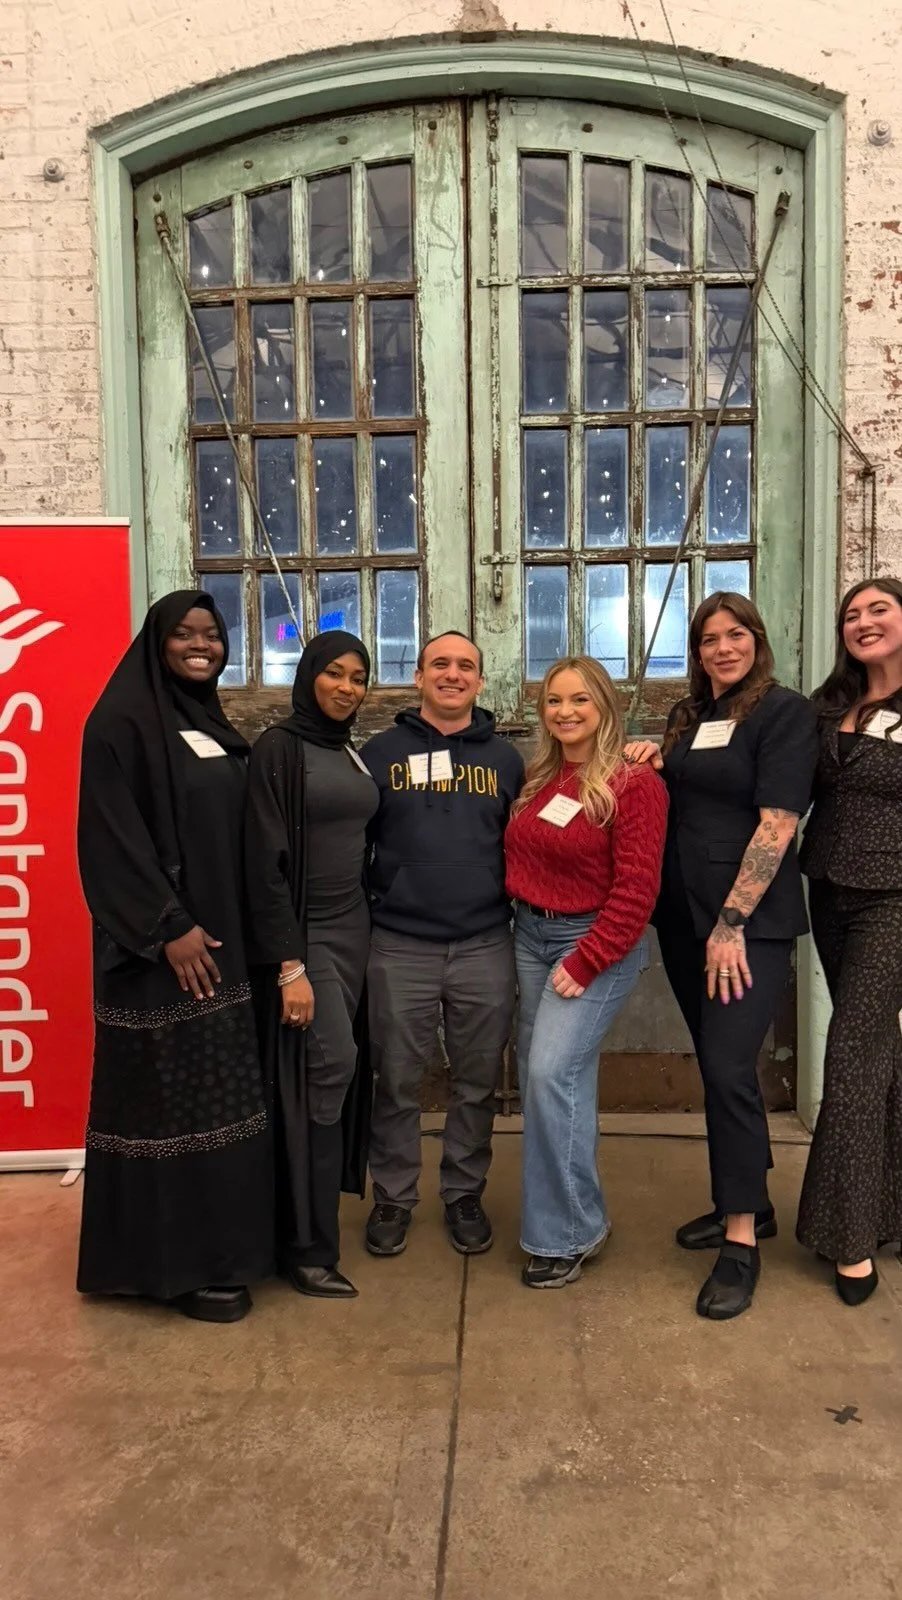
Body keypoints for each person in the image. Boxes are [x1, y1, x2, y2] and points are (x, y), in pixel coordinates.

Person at [76, 591, 273, 1324]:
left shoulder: (207, 720)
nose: (201, 645)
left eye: (212, 634)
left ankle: (224, 1251)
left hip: (221, 949)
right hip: (161, 959)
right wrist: (169, 927)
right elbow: (109, 839)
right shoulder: (120, 724)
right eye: (185, 633)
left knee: (217, 1106)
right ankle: (176, 1270)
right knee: (168, 1111)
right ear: (157, 641)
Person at [625, 592, 818, 1320]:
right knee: (717, 1063)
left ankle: (740, 1240)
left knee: (730, 1066)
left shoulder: (783, 712)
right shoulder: (690, 715)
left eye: (736, 635)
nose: (723, 648)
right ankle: (749, 1201)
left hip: (742, 924)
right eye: (709, 638)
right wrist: (653, 757)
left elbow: (778, 822)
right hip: (682, 918)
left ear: (756, 641)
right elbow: (684, 796)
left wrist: (733, 920)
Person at [504, 657, 668, 1288]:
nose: (565, 711)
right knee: (549, 1079)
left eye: (579, 700)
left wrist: (589, 957)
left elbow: (637, 889)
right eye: (554, 701)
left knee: (550, 1074)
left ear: (604, 706)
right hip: (530, 936)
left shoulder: (633, 783)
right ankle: (576, 1218)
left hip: (593, 941)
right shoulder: (540, 777)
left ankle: (566, 1234)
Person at [360, 631, 525, 1258]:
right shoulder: (379, 754)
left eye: (465, 666)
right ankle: (393, 1197)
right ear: (418, 676)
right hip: (399, 944)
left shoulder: (507, 761)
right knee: (396, 1080)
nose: (452, 675)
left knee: (477, 1082)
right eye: (440, 664)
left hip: (484, 943)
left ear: (480, 680)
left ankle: (463, 1192)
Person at [244, 631, 377, 1299]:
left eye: (358, 677)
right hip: (310, 935)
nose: (347, 687)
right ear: (308, 676)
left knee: (330, 1080)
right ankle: (307, 1248)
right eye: (335, 673)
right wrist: (289, 964)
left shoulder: (348, 748)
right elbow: (263, 865)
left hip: (356, 932)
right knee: (332, 1066)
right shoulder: (279, 748)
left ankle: (309, 1229)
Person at [796, 579, 902, 1305]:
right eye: (851, 615)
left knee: (853, 1053)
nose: (862, 622)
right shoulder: (829, 706)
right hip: (829, 888)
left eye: (878, 610)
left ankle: (849, 1237)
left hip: (895, 896)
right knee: (880, 1051)